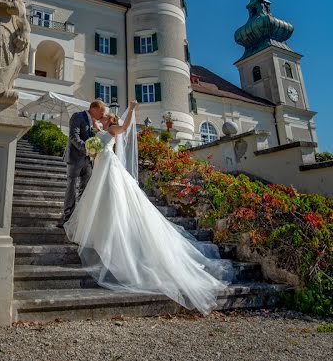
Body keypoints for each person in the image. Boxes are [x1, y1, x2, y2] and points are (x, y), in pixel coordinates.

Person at [64, 100, 231, 314]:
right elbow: (94, 149)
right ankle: (101, 237)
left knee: (114, 203)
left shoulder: (114, 129)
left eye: (105, 115)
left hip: (110, 171)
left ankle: (113, 239)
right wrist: (92, 149)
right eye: (102, 114)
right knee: (100, 204)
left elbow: (124, 128)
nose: (102, 117)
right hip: (99, 170)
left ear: (109, 118)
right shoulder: (99, 129)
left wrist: (132, 109)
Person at [60, 99, 108, 227]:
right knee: (71, 188)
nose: (103, 115)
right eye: (101, 112)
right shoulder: (78, 116)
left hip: (88, 161)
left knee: (85, 189)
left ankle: (79, 218)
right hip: (75, 159)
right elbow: (73, 137)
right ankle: (67, 218)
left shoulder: (95, 122)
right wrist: (88, 149)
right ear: (94, 109)